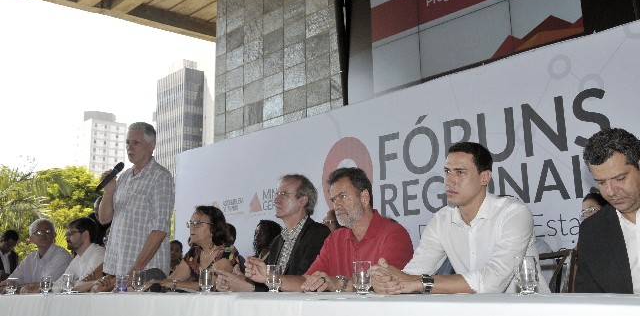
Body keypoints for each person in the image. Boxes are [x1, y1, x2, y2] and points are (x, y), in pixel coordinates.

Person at [370, 142, 548, 294]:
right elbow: (415, 271)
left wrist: (420, 282)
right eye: (447, 171)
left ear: (484, 177)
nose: (449, 181)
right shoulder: (441, 220)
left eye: (460, 172)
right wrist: (387, 280)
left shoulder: (514, 213)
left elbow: (492, 282)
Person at [245, 167, 413, 292]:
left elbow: (386, 283)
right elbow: (306, 281)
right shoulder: (335, 239)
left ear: (364, 197)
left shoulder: (394, 235)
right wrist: (269, 277)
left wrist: (337, 283)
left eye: (342, 196)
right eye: (333, 200)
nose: (336, 205)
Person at [93, 122, 175, 292]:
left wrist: (135, 269)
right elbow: (104, 219)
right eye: (127, 142)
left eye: (136, 143)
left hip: (146, 270)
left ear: (152, 145)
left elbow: (160, 229)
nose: (130, 147)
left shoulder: (160, 177)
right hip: (121, 267)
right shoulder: (123, 178)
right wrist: (108, 192)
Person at [218, 174, 330, 292]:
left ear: (302, 200)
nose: (276, 200)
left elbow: (307, 283)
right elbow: (270, 284)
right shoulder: (277, 241)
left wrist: (251, 288)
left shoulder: (319, 234)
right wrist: (242, 280)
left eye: (284, 194)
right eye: (276, 194)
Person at [575, 127, 640, 293]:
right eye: (601, 182)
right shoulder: (592, 231)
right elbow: (589, 299)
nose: (610, 191)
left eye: (620, 178)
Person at [145, 205, 238, 292]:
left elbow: (211, 285)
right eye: (191, 223)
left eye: (197, 223)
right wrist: (156, 282)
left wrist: (173, 284)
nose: (191, 228)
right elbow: (171, 280)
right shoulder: (194, 253)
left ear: (213, 229)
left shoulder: (227, 252)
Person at [0, 219, 72, 293]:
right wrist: (18, 286)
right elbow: (9, 282)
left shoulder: (62, 256)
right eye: (38, 232)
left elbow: (46, 286)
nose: (43, 235)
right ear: (31, 238)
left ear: (54, 235)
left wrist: (18, 287)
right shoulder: (30, 258)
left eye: (47, 231)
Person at [58, 217, 105, 292]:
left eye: (71, 233)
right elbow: (61, 283)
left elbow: (85, 283)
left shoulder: (99, 254)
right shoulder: (77, 259)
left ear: (85, 234)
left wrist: (78, 285)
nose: (66, 237)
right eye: (66, 234)